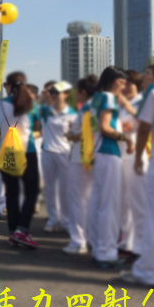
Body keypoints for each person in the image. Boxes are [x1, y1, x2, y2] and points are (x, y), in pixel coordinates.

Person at [88, 67, 133, 269]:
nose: (123, 87)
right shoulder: (107, 98)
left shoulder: (96, 99)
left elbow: (96, 127)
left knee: (98, 202)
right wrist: (126, 138)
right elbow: (105, 127)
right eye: (121, 82)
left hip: (98, 153)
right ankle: (106, 253)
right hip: (108, 152)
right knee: (110, 206)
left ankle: (98, 248)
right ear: (111, 81)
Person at [0, 72, 40, 248]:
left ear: (9, 86)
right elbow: (36, 126)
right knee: (31, 191)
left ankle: (13, 232)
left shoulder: (0, 104)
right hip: (28, 152)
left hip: (8, 153)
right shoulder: (32, 104)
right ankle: (22, 229)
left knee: (11, 193)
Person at [120, 64, 154, 285]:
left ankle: (147, 269)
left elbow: (143, 128)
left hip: (150, 164)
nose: (144, 75)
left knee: (149, 216)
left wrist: (139, 156)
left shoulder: (152, 94)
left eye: (148, 73)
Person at [63, 75, 97, 254]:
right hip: (91, 158)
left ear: (83, 92)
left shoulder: (86, 108)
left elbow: (86, 133)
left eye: (76, 91)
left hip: (80, 157)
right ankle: (89, 238)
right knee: (88, 200)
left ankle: (78, 241)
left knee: (77, 200)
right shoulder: (95, 106)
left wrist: (71, 135)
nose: (75, 94)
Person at [39, 81, 77, 233]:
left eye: (57, 92)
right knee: (50, 189)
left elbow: (76, 134)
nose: (53, 95)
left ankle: (66, 221)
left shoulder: (72, 114)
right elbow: (30, 111)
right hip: (47, 152)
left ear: (66, 94)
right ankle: (53, 220)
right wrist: (43, 96)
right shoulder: (45, 111)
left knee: (65, 189)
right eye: (52, 92)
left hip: (64, 154)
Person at [118, 70, 144, 258]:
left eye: (129, 84)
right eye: (123, 84)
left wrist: (128, 108)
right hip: (120, 156)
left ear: (137, 85)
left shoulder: (142, 102)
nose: (125, 88)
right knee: (124, 202)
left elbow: (145, 125)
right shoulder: (120, 105)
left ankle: (140, 246)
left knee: (138, 202)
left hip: (137, 157)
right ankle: (127, 242)